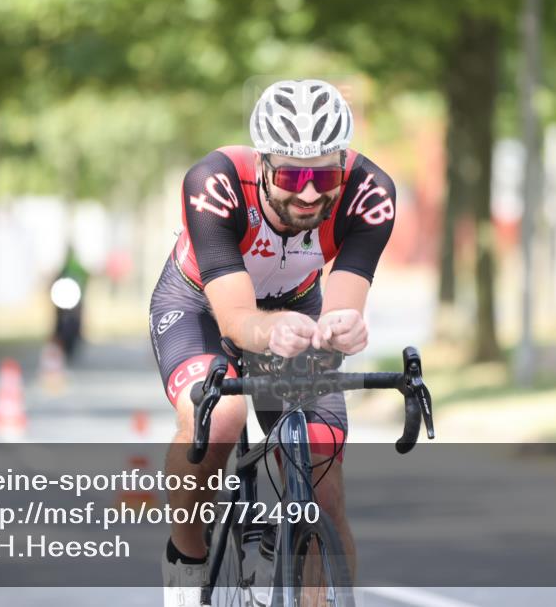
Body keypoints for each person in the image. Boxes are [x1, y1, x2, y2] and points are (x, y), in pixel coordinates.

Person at [149, 79, 397, 606]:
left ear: (344, 165)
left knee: (323, 476)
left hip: (298, 305)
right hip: (200, 305)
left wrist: (343, 329)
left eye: (324, 175)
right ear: (263, 164)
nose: (308, 193)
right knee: (221, 417)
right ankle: (187, 556)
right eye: (291, 175)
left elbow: (342, 308)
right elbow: (237, 320)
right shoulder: (213, 182)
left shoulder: (369, 194)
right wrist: (271, 332)